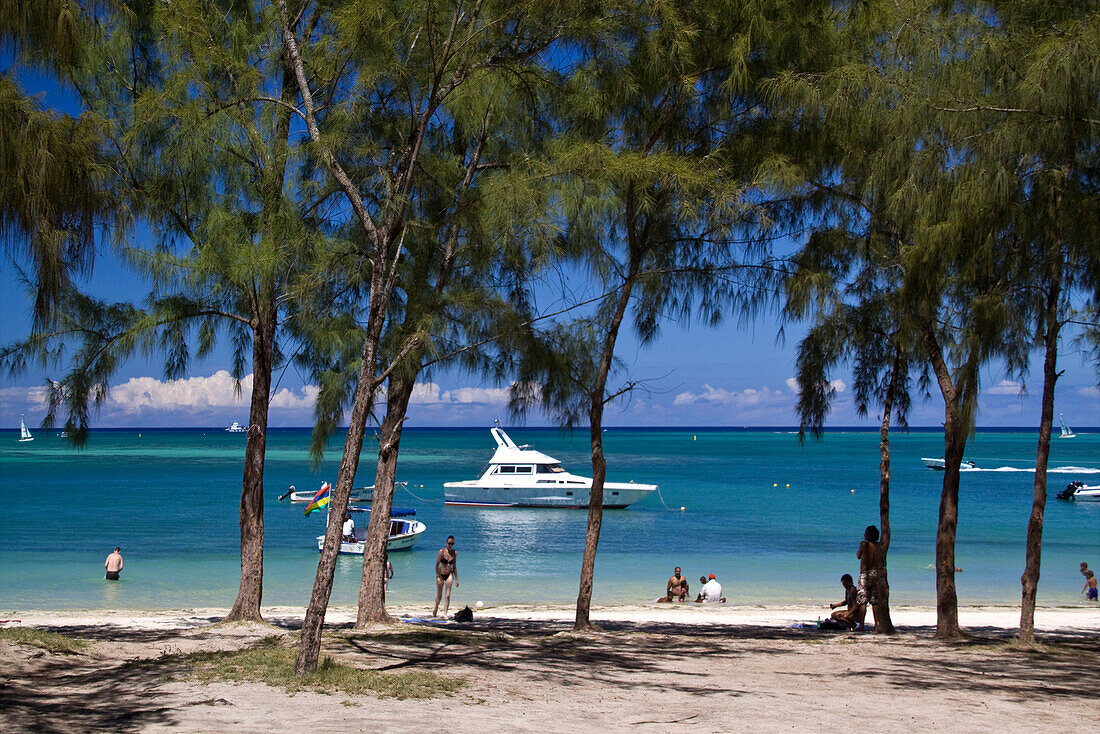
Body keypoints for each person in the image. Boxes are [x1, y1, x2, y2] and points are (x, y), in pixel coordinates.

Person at [855, 525, 880, 631]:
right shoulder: (878, 545)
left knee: (862, 601)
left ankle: (861, 625)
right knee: (874, 601)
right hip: (876, 573)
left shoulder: (864, 544)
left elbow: (858, 556)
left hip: (865, 574)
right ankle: (877, 625)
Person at [434, 535, 458, 618]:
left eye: (452, 544)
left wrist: (457, 580)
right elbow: (436, 565)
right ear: (446, 543)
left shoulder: (454, 553)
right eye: (449, 543)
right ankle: (436, 607)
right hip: (441, 575)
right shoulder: (441, 552)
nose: (450, 545)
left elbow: (454, 567)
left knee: (447, 595)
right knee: (439, 597)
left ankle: (445, 613)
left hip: (449, 575)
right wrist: (437, 576)